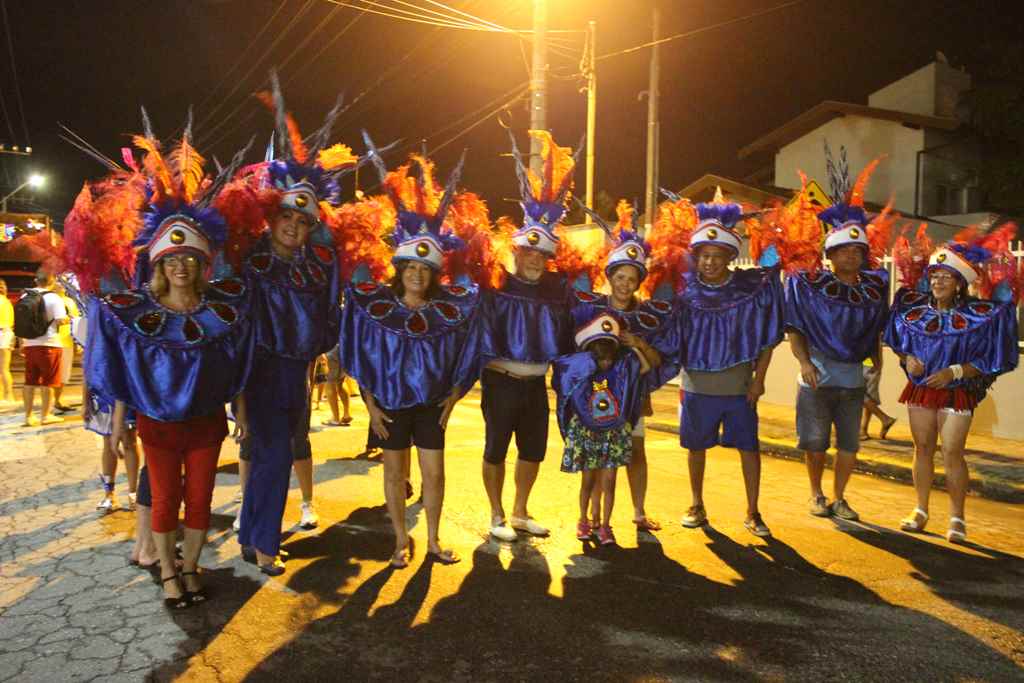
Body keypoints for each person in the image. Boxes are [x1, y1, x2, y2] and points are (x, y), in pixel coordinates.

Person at [71, 122, 257, 609]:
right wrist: (115, 425)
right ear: (158, 265)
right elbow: (122, 373)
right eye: (171, 259)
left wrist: (244, 416)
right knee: (164, 499)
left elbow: (235, 367)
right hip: (156, 426)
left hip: (206, 424)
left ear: (200, 265)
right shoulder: (135, 315)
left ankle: (192, 568)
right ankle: (169, 572)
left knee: (200, 500)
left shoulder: (222, 314)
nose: (179, 267)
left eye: (189, 260)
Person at [340, 144, 482, 566]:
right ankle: (401, 540)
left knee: (434, 474)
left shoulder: (449, 313)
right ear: (399, 270)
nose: (417, 274)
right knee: (394, 474)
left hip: (431, 407)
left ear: (434, 273)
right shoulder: (376, 310)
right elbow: (360, 354)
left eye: (425, 269)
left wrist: (454, 395)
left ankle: (435, 540)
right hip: (389, 407)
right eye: (410, 268)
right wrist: (370, 405)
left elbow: (469, 350)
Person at [236, 74, 346, 575]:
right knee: (275, 457)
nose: (294, 227)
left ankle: (248, 532)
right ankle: (263, 543)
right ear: (271, 216)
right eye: (286, 217)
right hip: (257, 372)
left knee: (270, 457)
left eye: (303, 222)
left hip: (297, 375)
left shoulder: (315, 267)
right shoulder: (249, 261)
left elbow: (332, 308)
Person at [455, 130, 579, 542]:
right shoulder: (496, 286)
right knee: (496, 449)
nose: (535, 260)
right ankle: (496, 514)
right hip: (501, 381)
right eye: (529, 252)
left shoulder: (559, 290)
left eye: (542, 255)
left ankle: (522, 512)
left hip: (534, 385)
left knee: (533, 451)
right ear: (517, 251)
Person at [660, 190, 784, 538]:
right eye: (704, 256)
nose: (710, 262)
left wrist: (759, 380)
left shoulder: (749, 288)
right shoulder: (683, 292)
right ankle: (696, 504)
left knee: (749, 448)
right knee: (695, 447)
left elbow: (767, 334)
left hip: (739, 389)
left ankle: (753, 511)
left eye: (718, 255)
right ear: (695, 257)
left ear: (730, 256)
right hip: (696, 388)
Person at [885, 224, 1019, 543]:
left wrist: (954, 372)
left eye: (946, 277)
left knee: (953, 452)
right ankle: (920, 509)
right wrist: (907, 361)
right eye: (934, 276)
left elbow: (990, 358)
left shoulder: (980, 316)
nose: (938, 281)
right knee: (923, 449)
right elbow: (898, 344)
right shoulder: (913, 312)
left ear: (960, 283)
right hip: (921, 389)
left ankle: (957, 517)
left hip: (956, 393)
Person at [781, 153, 893, 521]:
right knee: (815, 445)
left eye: (857, 251)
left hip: (853, 381)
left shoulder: (874, 290)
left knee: (848, 445)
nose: (851, 256)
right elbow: (795, 327)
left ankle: (840, 497)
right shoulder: (808, 285)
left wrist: (877, 360)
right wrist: (804, 361)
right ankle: (816, 494)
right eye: (843, 250)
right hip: (816, 378)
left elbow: (877, 328)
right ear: (829, 254)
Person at [572, 200, 677, 532]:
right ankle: (588, 519)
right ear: (610, 276)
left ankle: (638, 511)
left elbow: (661, 359)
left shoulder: (651, 315)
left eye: (632, 278)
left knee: (635, 452)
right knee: (595, 463)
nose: (625, 283)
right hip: (596, 401)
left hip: (635, 399)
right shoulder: (592, 311)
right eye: (619, 276)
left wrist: (639, 343)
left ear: (639, 281)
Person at [554, 313, 657, 545]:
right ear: (591, 354)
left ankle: (605, 526)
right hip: (588, 432)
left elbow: (645, 366)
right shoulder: (583, 370)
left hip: (613, 433)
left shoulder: (620, 370)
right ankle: (585, 520)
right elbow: (561, 369)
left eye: (609, 358)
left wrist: (634, 347)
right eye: (600, 358)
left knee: (609, 481)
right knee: (588, 482)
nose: (605, 363)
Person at [16, 269, 68, 426]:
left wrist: (21, 343)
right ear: (51, 281)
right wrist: (67, 319)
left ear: (36, 280)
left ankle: (28, 417)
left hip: (30, 344)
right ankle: (46, 415)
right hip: (49, 344)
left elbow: (20, 322)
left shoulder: (25, 296)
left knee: (29, 382)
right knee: (49, 381)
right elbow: (60, 320)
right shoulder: (54, 298)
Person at [52, 283, 81, 413]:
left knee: (63, 375)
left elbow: (76, 323)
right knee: (55, 374)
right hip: (54, 341)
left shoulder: (70, 302)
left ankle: (57, 400)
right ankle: (55, 401)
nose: (61, 286)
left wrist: (77, 343)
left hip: (66, 341)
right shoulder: (51, 299)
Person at [861, 358, 897, 440]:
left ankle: (885, 419)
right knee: (868, 397)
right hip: (871, 365)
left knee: (858, 395)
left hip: (866, 365)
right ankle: (863, 430)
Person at [321, 345, 352, 426]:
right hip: (344, 348)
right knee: (340, 383)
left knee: (329, 384)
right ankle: (346, 413)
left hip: (330, 349)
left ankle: (335, 418)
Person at [0, 278, 14, 403]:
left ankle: (7, 395)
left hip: (3, 332)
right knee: (4, 368)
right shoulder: (7, 302)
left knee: (3, 369)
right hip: (7, 333)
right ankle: (8, 395)